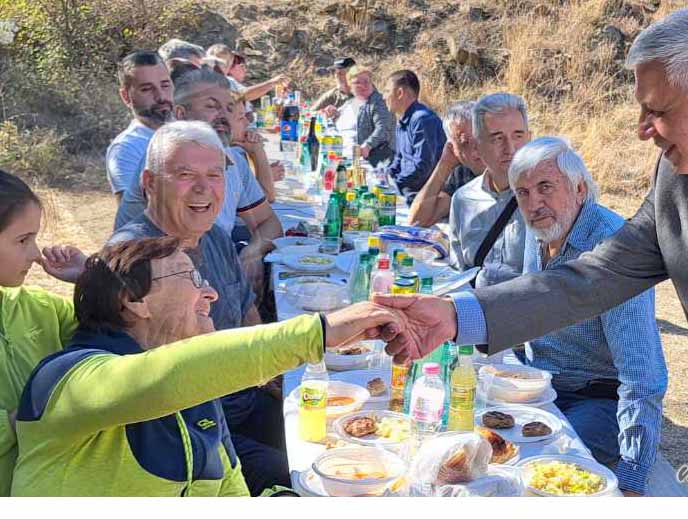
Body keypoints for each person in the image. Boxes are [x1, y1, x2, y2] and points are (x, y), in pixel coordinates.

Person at [377, 3, 688, 497]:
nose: (642, 130)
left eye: (657, 111)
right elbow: (595, 275)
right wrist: (456, 316)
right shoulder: (680, 179)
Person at [11, 236, 401, 496]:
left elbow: (229, 491)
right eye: (192, 278)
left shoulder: (197, 395)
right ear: (133, 299)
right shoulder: (66, 379)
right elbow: (159, 380)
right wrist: (321, 332)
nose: (210, 292)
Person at [107, 121, 284, 493]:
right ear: (150, 183)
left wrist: (277, 379)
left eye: (215, 175)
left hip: (242, 397)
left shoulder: (215, 236)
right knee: (296, 475)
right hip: (190, 428)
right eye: (185, 175)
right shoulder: (134, 259)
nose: (204, 188)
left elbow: (247, 314)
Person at [509, 137, 667, 496]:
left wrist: (630, 482)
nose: (534, 204)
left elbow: (643, 377)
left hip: (597, 402)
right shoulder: (539, 233)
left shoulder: (613, 250)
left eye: (545, 187)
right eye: (523, 193)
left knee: (542, 471)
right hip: (540, 389)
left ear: (580, 189)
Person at [114, 68, 282, 289]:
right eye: (212, 106)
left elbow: (269, 223)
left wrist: (253, 252)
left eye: (229, 108)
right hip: (155, 280)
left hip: (208, 267)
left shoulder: (233, 159)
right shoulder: (166, 159)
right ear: (181, 114)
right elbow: (180, 252)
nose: (224, 115)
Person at [0, 170, 93, 495]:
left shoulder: (43, 309)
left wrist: (90, 279)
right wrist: (21, 420)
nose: (37, 253)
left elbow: (115, 342)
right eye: (23, 240)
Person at [448, 93, 531, 287]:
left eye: (518, 136)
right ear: (477, 146)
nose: (510, 148)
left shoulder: (549, 198)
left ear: (530, 138)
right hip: (475, 310)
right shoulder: (463, 199)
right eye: (497, 138)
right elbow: (457, 273)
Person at [105, 51, 173, 202]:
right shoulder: (126, 149)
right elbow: (133, 217)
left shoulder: (192, 130)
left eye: (165, 85)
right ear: (126, 96)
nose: (161, 96)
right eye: (147, 89)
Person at [408, 100, 483, 227]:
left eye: (480, 139)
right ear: (452, 148)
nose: (475, 152)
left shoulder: (509, 168)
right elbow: (417, 221)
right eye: (465, 144)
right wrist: (444, 164)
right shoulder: (462, 172)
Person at [383, 70, 446, 204]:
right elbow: (400, 157)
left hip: (420, 197)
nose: (384, 97)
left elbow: (423, 167)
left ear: (400, 93)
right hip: (405, 190)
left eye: (387, 91)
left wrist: (396, 182)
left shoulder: (422, 120)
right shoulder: (404, 119)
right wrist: (387, 175)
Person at [206, 44, 289, 107]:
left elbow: (246, 97)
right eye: (214, 62)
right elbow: (243, 95)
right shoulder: (202, 82)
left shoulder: (230, 82)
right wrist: (271, 83)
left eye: (224, 63)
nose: (218, 67)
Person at [348, 66, 395, 167]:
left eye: (366, 81)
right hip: (347, 155)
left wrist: (369, 145)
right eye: (357, 83)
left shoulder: (379, 102)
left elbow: (383, 128)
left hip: (376, 159)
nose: (363, 85)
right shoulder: (352, 102)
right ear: (350, 86)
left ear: (372, 83)